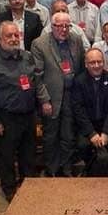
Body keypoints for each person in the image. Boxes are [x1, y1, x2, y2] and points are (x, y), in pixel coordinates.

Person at [0, 22, 50, 200]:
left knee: (29, 154)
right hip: (6, 118)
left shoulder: (27, 57)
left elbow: (36, 81)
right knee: (7, 157)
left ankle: (29, 187)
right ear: (0, 38)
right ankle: (9, 190)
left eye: (16, 35)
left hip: (28, 114)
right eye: (8, 36)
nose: (13, 39)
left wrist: (44, 100)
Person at [31, 12, 84, 177]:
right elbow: (36, 76)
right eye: (59, 26)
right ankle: (52, 170)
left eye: (67, 25)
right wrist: (44, 100)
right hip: (51, 98)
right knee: (51, 136)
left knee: (68, 135)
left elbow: (81, 68)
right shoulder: (39, 44)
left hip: (71, 96)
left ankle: (66, 169)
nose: (64, 29)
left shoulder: (76, 39)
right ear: (52, 26)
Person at [71, 48, 108, 176]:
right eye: (92, 63)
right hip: (89, 125)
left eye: (99, 62)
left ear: (104, 62)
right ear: (86, 64)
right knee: (82, 145)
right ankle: (92, 172)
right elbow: (78, 109)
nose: (96, 66)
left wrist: (106, 133)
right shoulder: (79, 81)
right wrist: (91, 134)